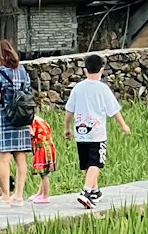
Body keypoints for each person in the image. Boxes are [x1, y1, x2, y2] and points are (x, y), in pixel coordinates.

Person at [64, 54, 131, 209]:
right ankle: (86, 192)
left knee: (88, 163)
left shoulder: (78, 88)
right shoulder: (103, 89)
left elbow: (69, 111)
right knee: (96, 163)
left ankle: (95, 191)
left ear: (85, 70)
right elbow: (114, 110)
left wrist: (67, 128)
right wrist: (123, 125)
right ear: (102, 69)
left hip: (80, 133)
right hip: (97, 134)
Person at [0, 39, 33, 207]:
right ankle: (19, 195)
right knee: (20, 159)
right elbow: (28, 94)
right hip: (22, 119)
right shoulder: (22, 71)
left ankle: (5, 196)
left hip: (5, 120)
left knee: (4, 159)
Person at [29, 115, 57, 205]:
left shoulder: (31, 122)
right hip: (48, 146)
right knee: (44, 173)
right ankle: (40, 193)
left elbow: (31, 134)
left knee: (44, 174)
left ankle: (45, 196)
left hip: (42, 148)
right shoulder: (39, 119)